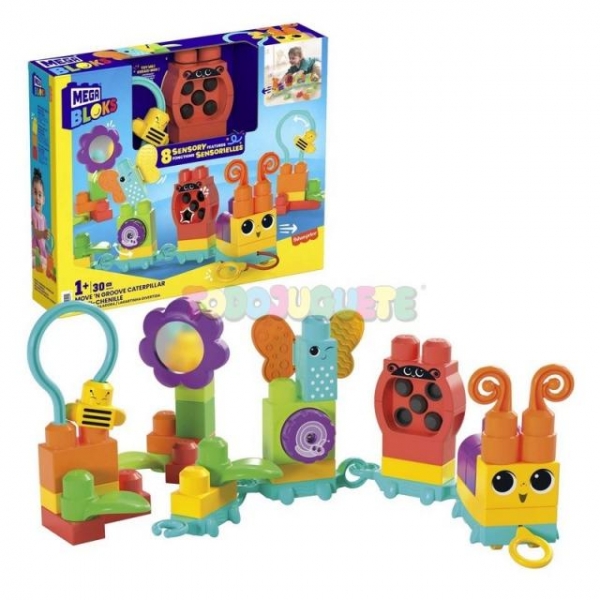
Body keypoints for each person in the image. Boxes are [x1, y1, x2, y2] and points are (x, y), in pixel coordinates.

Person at [31, 168, 49, 269]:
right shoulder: (31, 212)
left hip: (41, 252)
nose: (37, 197)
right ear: (32, 194)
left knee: (47, 263)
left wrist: (46, 235)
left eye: (40, 195)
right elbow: (35, 232)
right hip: (34, 252)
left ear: (43, 200)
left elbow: (44, 240)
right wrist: (43, 234)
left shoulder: (44, 218)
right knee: (43, 263)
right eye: (35, 193)